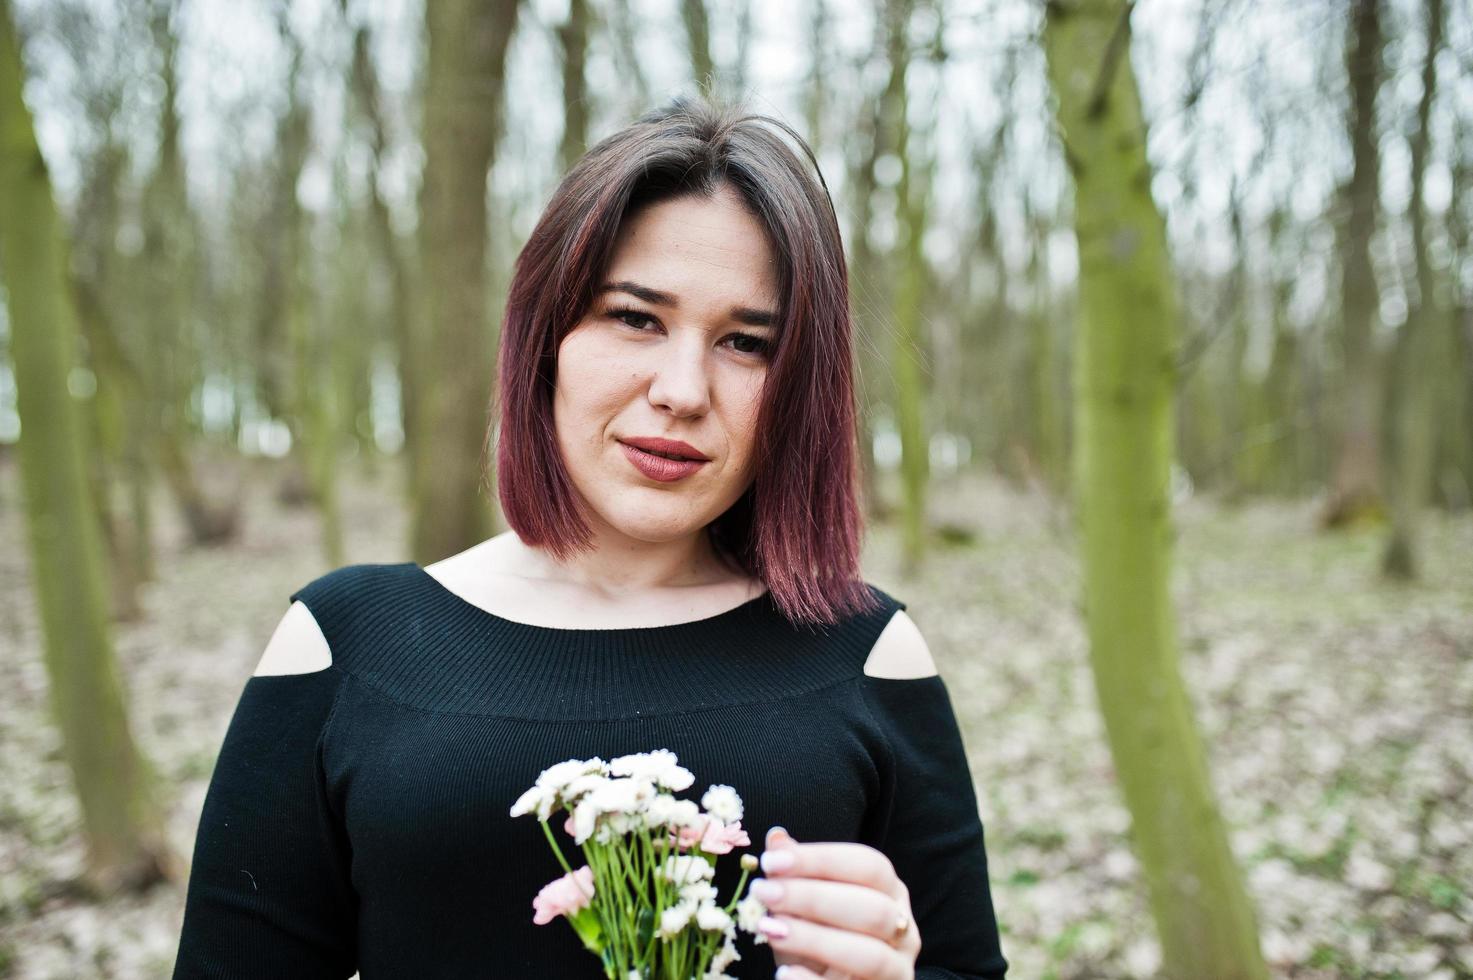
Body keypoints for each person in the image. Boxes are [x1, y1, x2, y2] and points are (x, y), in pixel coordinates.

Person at [172, 95, 1008, 979]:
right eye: (635, 318)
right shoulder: (346, 644)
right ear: (546, 341)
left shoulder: (869, 652)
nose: (682, 390)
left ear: (797, 388)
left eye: (746, 343)